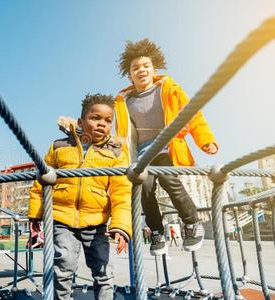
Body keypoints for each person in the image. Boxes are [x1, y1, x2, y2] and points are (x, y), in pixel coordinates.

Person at [114, 38, 218, 255]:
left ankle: (191, 222)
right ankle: (156, 231)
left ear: (154, 69)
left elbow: (193, 115)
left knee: (169, 180)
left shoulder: (169, 89)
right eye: (135, 68)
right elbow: (122, 134)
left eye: (146, 66)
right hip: (142, 154)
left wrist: (205, 140)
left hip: (166, 147)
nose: (141, 70)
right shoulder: (124, 102)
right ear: (129, 75)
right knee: (144, 189)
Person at [28, 94, 132, 300]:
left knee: (103, 271)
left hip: (97, 221)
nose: (102, 124)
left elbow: (121, 190)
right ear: (81, 122)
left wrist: (121, 225)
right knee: (63, 266)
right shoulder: (59, 146)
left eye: (108, 120)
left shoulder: (116, 152)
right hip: (62, 218)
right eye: (95, 118)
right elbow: (41, 181)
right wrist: (35, 214)